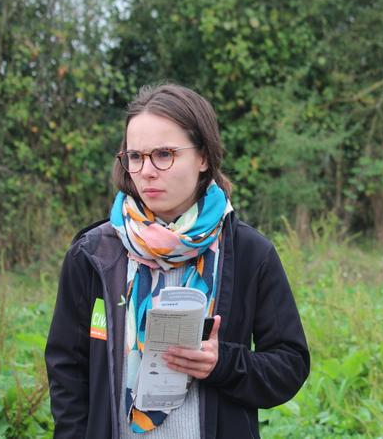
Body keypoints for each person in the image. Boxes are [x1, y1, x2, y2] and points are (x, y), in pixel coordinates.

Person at [45, 84, 310, 439]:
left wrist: (223, 364)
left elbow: (290, 365)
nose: (147, 171)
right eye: (136, 157)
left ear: (203, 157)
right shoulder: (94, 255)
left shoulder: (249, 252)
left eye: (165, 154)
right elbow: (67, 371)